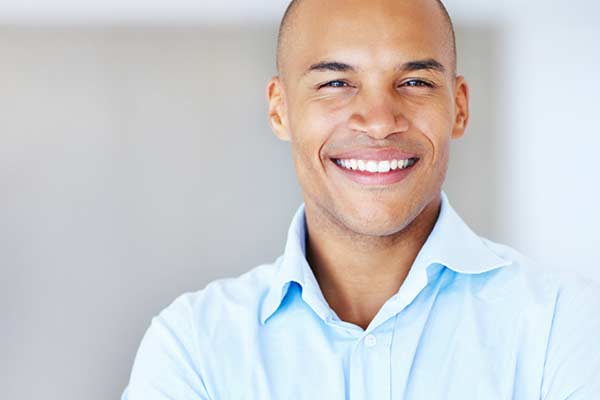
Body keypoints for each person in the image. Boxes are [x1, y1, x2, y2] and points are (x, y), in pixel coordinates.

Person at [121, 0, 600, 398]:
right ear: (279, 109)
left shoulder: (565, 326)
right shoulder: (193, 346)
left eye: (414, 82)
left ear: (459, 107)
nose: (378, 120)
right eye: (336, 83)